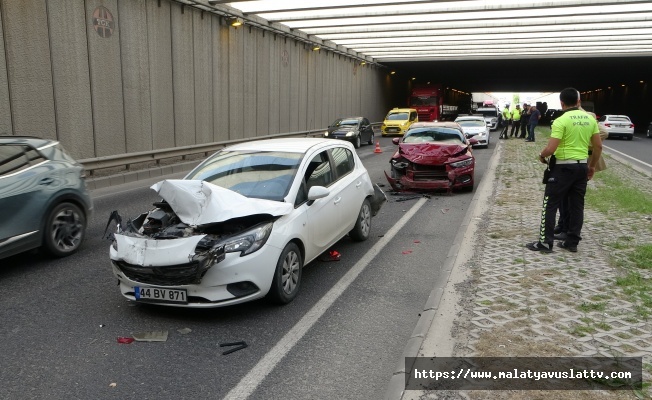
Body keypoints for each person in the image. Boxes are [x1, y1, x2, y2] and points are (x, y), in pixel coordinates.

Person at [526, 88, 602, 253]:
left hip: (562, 168)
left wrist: (541, 155)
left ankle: (545, 243)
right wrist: (592, 166)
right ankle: (572, 242)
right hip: (582, 166)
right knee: (577, 206)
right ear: (578, 101)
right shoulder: (590, 120)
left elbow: (551, 148)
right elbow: (598, 146)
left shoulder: (560, 121)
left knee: (550, 203)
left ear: (561, 102)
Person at [554, 107, 608, 240]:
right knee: (565, 198)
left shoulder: (588, 118)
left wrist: (585, 140)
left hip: (580, 162)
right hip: (571, 161)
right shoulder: (568, 118)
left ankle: (569, 230)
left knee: (572, 200)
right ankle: (563, 226)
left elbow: (604, 133)